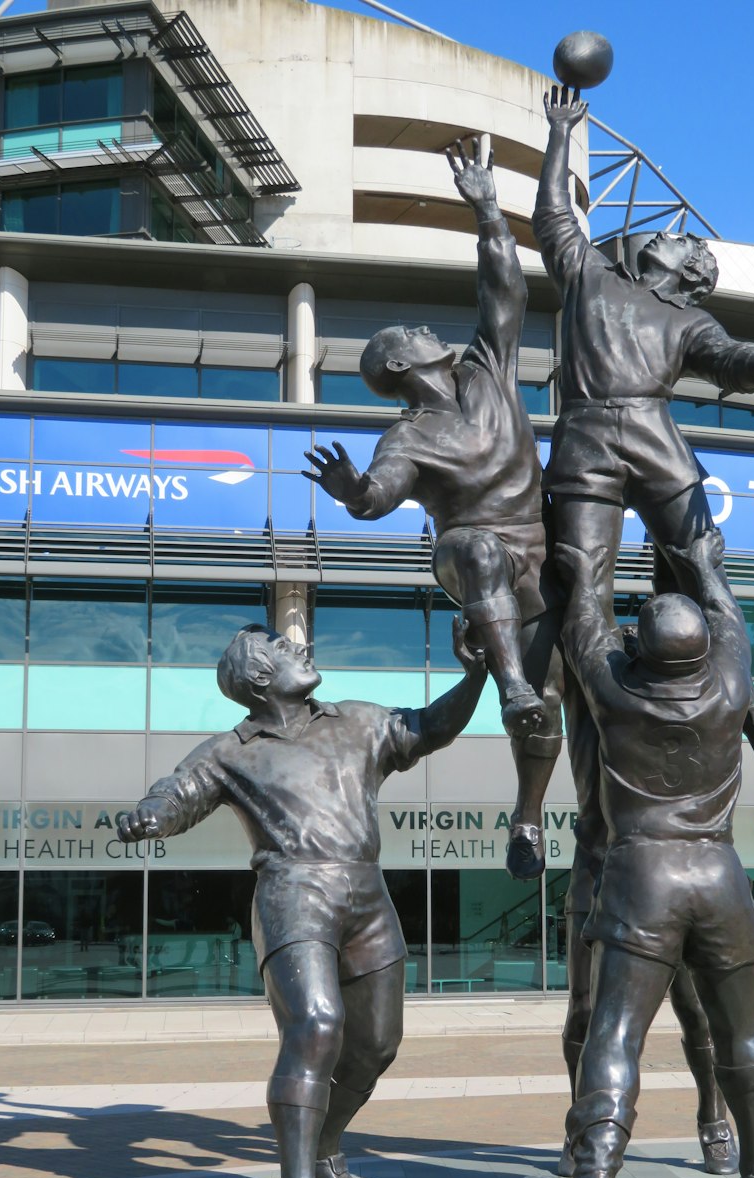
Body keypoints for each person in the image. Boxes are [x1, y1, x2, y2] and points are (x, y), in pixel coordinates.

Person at [117, 619, 487, 1178]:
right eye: (286, 649)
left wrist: (476, 673)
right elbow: (176, 795)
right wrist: (148, 815)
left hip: (367, 895)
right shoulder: (231, 753)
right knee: (316, 1026)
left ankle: (324, 1147)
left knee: (375, 1045)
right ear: (260, 677)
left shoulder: (359, 722)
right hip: (293, 894)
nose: (303, 648)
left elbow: (432, 726)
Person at [533, 85, 754, 771]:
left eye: (674, 237)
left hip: (653, 436)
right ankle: (615, 712)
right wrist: (558, 135)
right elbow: (552, 219)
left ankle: (749, 702)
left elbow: (732, 361)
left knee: (703, 569)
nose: (662, 233)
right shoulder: (591, 276)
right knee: (583, 586)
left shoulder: (690, 320)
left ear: (689, 272)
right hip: (584, 442)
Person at [304, 139, 563, 882]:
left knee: (552, 691)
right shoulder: (406, 435)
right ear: (397, 366)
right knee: (475, 553)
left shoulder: (488, 368)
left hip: (538, 555)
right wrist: (355, 491)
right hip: (474, 556)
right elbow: (380, 494)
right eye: (412, 335)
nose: (427, 331)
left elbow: (504, 286)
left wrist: (486, 208)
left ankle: (528, 816)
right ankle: (508, 683)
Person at [546, 529, 754, 1178]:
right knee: (744, 1028)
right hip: (719, 873)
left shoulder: (615, 689)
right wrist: (705, 562)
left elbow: (585, 613)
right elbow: (727, 611)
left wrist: (586, 553)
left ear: (641, 650)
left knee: (614, 1032)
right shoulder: (732, 679)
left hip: (641, 873)